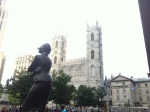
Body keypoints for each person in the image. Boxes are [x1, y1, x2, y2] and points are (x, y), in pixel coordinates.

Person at [21, 43, 52, 112]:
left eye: (40, 47)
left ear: (43, 49)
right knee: (41, 106)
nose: (39, 48)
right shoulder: (49, 60)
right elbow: (44, 69)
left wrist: (35, 70)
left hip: (40, 80)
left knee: (26, 104)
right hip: (48, 81)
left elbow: (29, 69)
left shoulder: (38, 57)